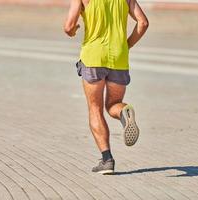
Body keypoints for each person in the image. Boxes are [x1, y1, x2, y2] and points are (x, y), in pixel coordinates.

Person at [64, 0, 149, 174]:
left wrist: (72, 31)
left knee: (95, 109)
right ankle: (124, 112)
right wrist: (127, 45)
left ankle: (107, 159)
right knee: (113, 104)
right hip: (119, 57)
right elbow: (143, 22)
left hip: (93, 56)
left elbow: (69, 26)